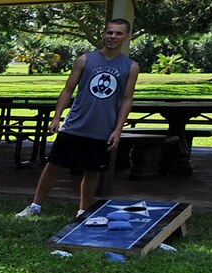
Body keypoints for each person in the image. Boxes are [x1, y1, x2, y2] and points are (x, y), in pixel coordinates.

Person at [15, 18, 140, 220]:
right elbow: (67, 90)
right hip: (75, 125)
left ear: (127, 37)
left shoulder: (131, 67)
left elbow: (127, 99)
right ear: (104, 33)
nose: (113, 37)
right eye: (109, 32)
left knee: (92, 171)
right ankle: (35, 206)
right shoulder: (85, 60)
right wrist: (57, 117)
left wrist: (118, 129)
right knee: (53, 164)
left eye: (118, 33)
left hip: (103, 129)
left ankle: (83, 211)